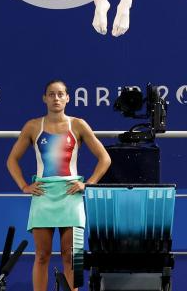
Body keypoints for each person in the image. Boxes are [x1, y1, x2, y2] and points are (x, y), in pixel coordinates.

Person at [7, 80, 111, 291]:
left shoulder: (79, 125)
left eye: (60, 94)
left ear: (68, 98)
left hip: (70, 196)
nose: (56, 98)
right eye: (52, 94)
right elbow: (11, 161)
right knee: (42, 256)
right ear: (44, 98)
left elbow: (105, 158)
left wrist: (88, 184)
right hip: (43, 195)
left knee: (71, 257)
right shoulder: (33, 126)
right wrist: (24, 186)